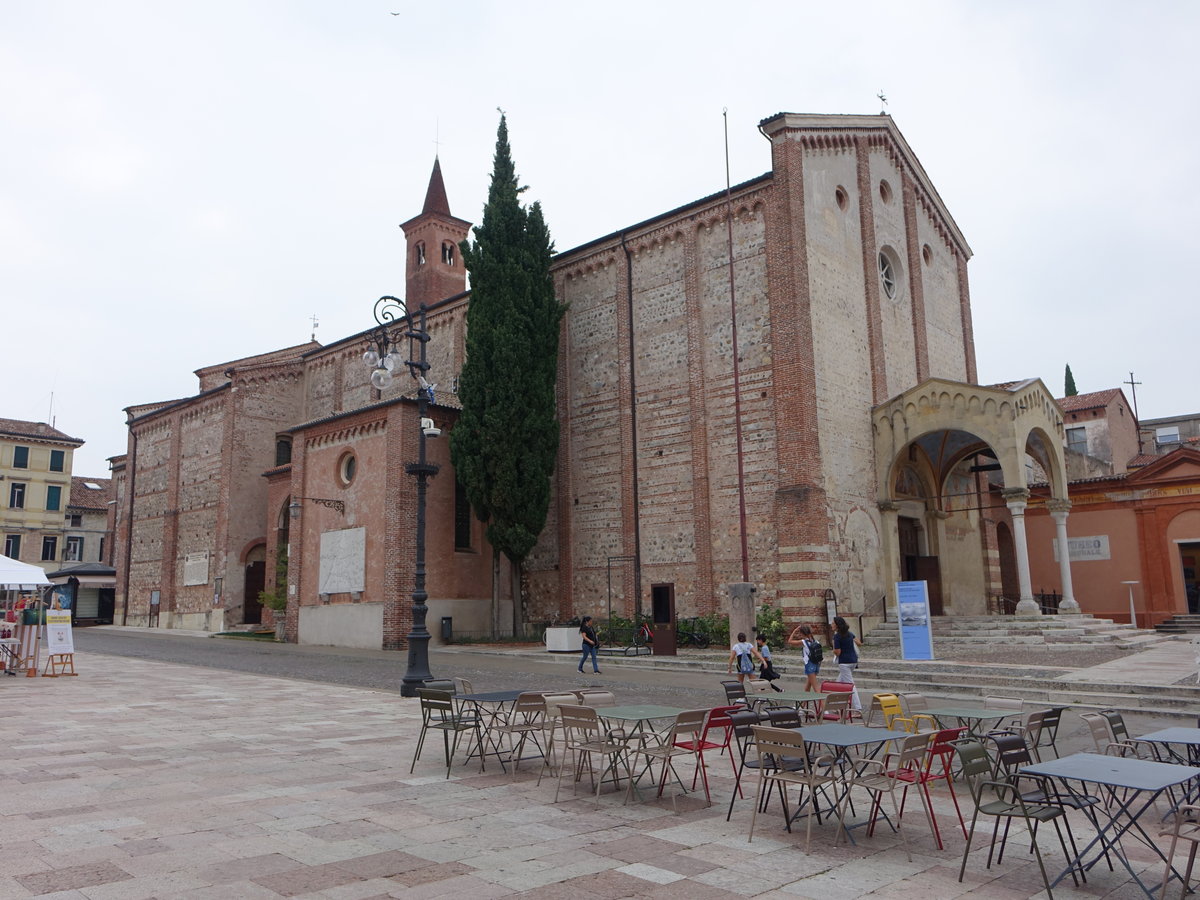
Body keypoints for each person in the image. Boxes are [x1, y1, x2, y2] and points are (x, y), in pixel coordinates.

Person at [831, 615, 862, 710]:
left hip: (844, 662)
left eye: (833, 623)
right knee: (838, 683)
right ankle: (838, 707)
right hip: (853, 661)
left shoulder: (837, 637)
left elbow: (838, 652)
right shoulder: (849, 633)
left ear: (837, 626)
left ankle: (858, 708)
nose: (831, 625)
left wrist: (833, 649)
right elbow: (859, 643)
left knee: (850, 686)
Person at [786, 623, 822, 693]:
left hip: (809, 665)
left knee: (816, 688)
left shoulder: (804, 642)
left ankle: (823, 703)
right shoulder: (816, 641)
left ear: (802, 633)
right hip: (816, 665)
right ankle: (804, 704)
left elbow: (789, 641)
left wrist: (794, 631)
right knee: (807, 687)